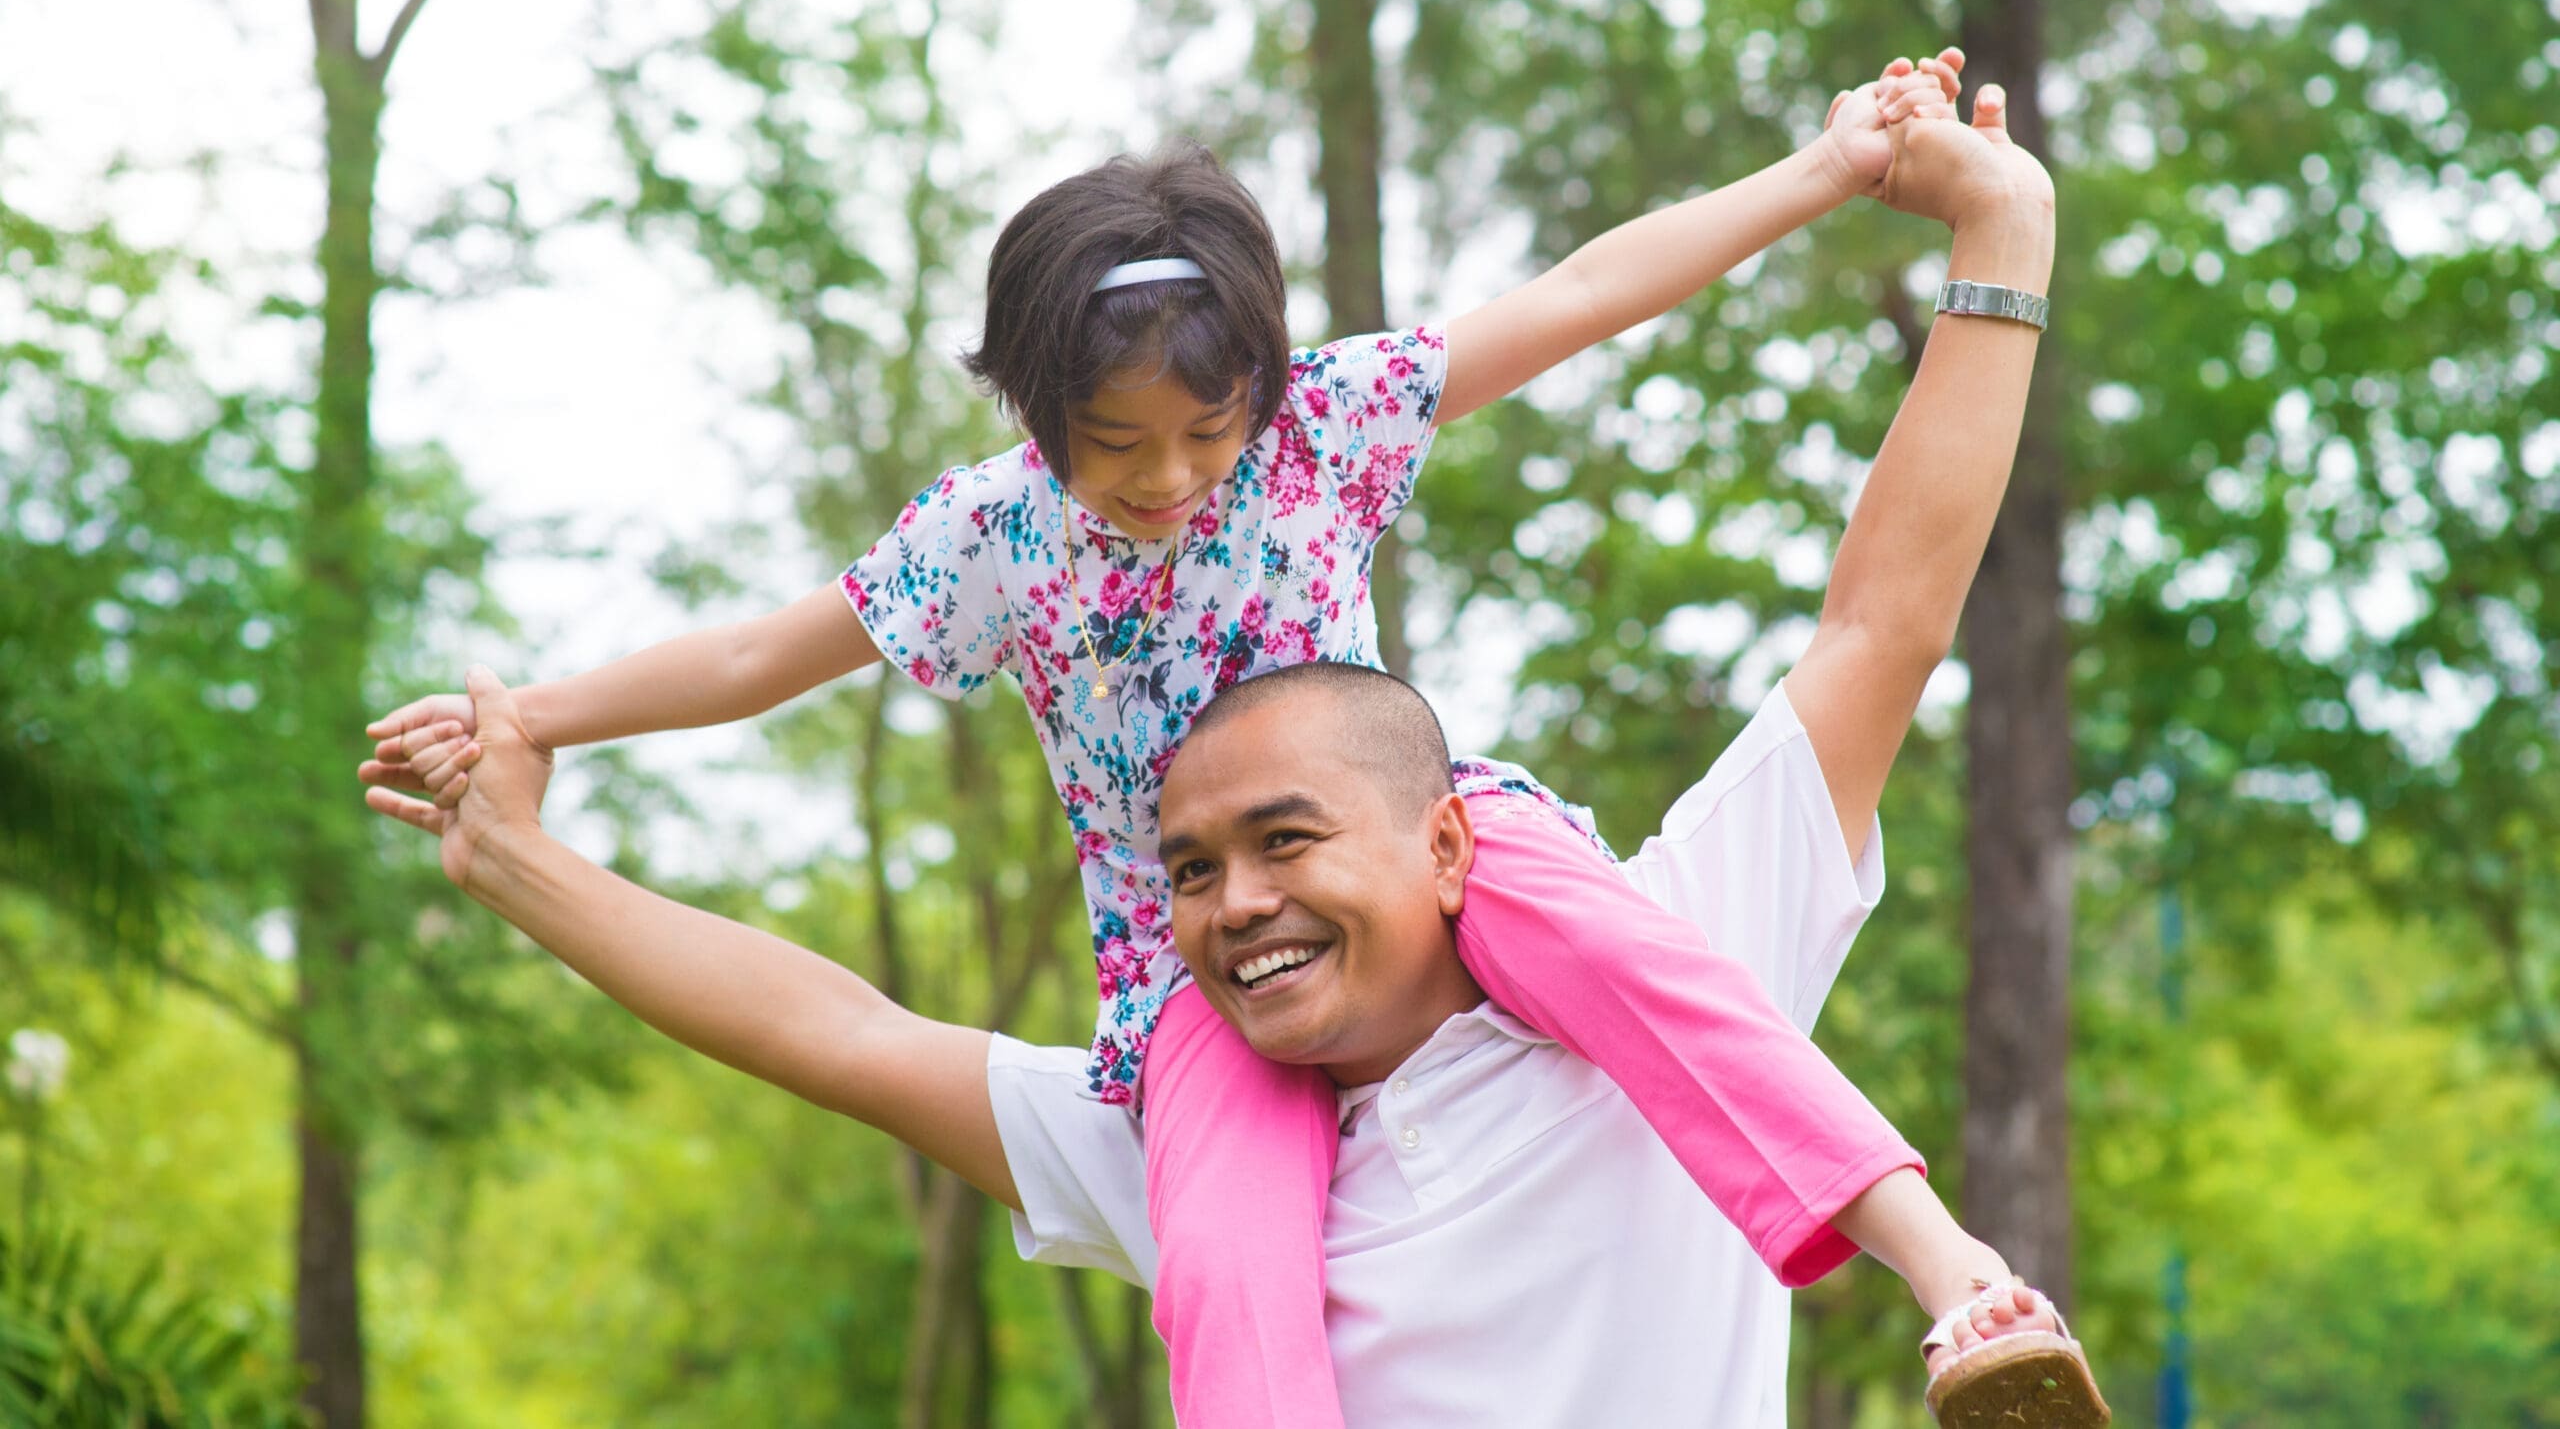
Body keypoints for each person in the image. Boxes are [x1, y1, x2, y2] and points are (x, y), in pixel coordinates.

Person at [371, 84, 2103, 1425]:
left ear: (1261, 388)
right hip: (1181, 1016)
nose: (1169, 476)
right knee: (1224, 1269)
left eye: (1206, 430)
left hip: (1484, 850)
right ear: (1034, 417)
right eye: (1115, 443)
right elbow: (783, 752)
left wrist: (1842, 178)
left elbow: (1602, 317)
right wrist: (535, 736)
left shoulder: (1329, 435)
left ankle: (1955, 1277)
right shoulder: (998, 544)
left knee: (1666, 986)